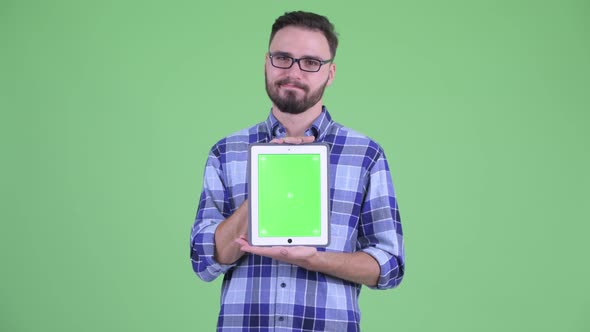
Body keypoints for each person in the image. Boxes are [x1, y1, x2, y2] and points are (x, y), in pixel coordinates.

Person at [190, 11, 405, 331]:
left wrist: (314, 259)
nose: (294, 71)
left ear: (330, 73)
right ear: (266, 62)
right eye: (282, 58)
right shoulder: (227, 152)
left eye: (310, 62)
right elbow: (205, 260)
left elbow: (388, 265)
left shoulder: (365, 154)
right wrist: (264, 188)